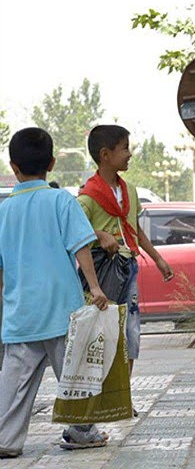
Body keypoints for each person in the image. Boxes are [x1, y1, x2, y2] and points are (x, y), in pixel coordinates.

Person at [0, 127, 109, 457]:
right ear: (51, 163)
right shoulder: (62, 200)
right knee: (75, 374)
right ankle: (82, 431)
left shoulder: (3, 211)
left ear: (12, 166)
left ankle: (5, 439)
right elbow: (81, 249)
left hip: (20, 312)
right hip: (63, 310)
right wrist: (94, 287)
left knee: (13, 382)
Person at [77, 125, 174, 410]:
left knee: (129, 334)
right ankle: (99, 397)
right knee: (102, 334)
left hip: (128, 269)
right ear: (105, 155)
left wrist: (157, 258)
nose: (130, 154)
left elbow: (136, 231)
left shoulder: (129, 190)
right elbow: (74, 232)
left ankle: (122, 396)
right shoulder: (88, 196)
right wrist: (99, 235)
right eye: (124, 148)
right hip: (103, 273)